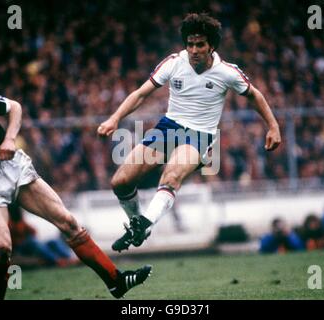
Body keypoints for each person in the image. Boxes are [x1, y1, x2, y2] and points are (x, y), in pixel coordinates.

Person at [0, 70, 151, 300]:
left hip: (12, 166)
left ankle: (116, 281)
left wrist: (10, 138)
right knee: (2, 247)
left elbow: (14, 107)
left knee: (69, 222)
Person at [98, 13, 281, 252]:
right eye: (190, 44)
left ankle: (143, 224)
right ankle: (137, 223)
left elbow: (254, 95)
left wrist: (273, 125)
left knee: (171, 177)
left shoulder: (227, 72)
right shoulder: (174, 62)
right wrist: (115, 118)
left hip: (199, 135)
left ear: (211, 46)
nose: (194, 50)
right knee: (120, 182)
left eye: (200, 44)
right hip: (168, 128)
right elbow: (141, 94)